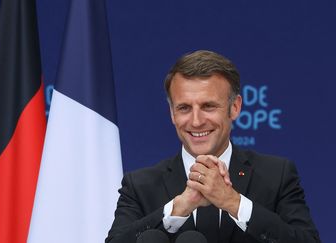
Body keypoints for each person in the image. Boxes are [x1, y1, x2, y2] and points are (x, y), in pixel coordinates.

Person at [106, 50, 320, 243]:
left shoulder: (277, 175)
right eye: (184, 108)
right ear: (172, 113)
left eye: (208, 106)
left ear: (234, 107)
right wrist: (177, 208)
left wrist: (233, 202)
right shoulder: (140, 185)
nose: (196, 121)